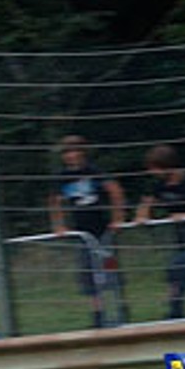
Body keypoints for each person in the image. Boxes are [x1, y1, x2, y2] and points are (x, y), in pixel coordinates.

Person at [47, 136, 126, 328]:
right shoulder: (62, 177)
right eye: (67, 152)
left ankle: (119, 307)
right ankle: (98, 313)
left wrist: (118, 218)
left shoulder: (94, 171)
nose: (71, 156)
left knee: (110, 268)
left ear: (83, 152)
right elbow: (54, 202)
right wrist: (58, 225)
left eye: (75, 151)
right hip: (82, 233)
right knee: (88, 273)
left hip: (102, 229)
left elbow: (115, 191)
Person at [133, 145, 185, 319]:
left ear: (166, 166)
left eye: (155, 168)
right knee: (174, 275)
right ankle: (175, 313)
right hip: (180, 241)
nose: (152, 172)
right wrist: (143, 215)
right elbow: (147, 201)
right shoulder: (159, 185)